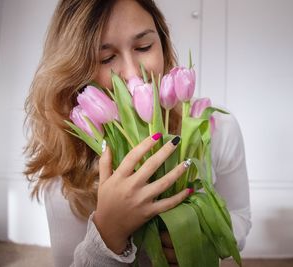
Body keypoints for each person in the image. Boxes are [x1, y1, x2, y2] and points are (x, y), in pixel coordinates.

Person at [24, 0, 251, 266]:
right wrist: (108, 235)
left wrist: (203, 236)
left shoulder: (215, 127)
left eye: (144, 47)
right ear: (76, 70)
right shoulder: (67, 155)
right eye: (106, 58)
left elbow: (240, 216)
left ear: (163, 44)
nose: (134, 74)